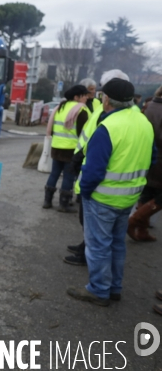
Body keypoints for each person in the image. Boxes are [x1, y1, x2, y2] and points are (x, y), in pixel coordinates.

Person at [67, 78, 155, 307]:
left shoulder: (108, 127)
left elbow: (94, 170)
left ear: (106, 100)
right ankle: (114, 288)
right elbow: (153, 157)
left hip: (103, 198)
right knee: (117, 244)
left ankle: (98, 290)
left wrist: (84, 192)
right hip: (129, 197)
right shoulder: (142, 121)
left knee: (98, 246)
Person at [65, 71, 130, 266]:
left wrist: (85, 185)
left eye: (101, 90)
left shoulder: (112, 116)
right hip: (97, 173)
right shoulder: (107, 111)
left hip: (101, 184)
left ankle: (97, 280)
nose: (98, 94)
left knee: (98, 233)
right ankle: (86, 247)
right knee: (94, 227)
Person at [43, 85, 90, 212]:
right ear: (76, 97)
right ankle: (63, 204)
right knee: (69, 177)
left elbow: (52, 128)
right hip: (71, 150)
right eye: (84, 95)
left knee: (54, 174)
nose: (86, 98)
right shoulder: (81, 110)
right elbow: (84, 133)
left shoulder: (59, 108)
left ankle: (47, 201)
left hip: (56, 147)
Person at [127, 85, 162, 241]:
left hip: (146, 155)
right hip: (160, 157)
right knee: (157, 196)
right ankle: (133, 221)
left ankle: (142, 231)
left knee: (148, 193)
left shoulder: (147, 106)